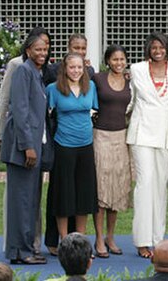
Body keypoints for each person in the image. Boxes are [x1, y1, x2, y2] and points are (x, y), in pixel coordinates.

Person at [127, 31, 168, 258]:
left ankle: (158, 240)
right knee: (145, 184)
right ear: (148, 49)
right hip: (141, 134)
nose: (157, 51)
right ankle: (142, 241)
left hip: (164, 134)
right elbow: (128, 99)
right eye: (153, 48)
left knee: (160, 187)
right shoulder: (137, 69)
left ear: (167, 48)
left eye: (161, 47)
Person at [0, 27, 51, 256]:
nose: (42, 52)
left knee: (30, 202)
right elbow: (19, 111)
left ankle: (27, 248)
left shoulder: (36, 73)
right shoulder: (22, 71)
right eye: (38, 48)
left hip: (34, 146)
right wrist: (28, 146)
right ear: (28, 50)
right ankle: (20, 251)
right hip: (23, 149)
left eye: (45, 49)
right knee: (21, 202)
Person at [46, 52, 99, 242]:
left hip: (86, 146)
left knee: (84, 194)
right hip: (64, 146)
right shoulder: (53, 89)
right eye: (72, 67)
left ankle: (80, 239)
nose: (76, 71)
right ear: (65, 69)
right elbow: (47, 116)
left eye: (79, 67)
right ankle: (64, 239)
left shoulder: (90, 87)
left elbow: (94, 110)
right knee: (64, 194)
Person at [91, 44, 132, 258]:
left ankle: (110, 237)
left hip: (121, 138)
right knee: (101, 189)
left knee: (116, 190)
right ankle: (98, 238)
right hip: (101, 137)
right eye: (114, 59)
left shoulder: (129, 81)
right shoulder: (97, 79)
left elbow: (132, 108)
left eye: (122, 59)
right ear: (108, 61)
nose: (118, 63)